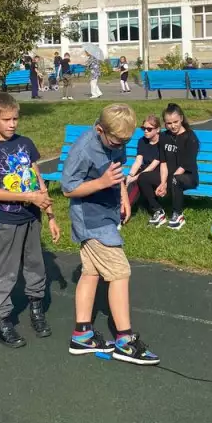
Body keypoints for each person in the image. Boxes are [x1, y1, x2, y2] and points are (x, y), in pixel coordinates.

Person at [60, 103, 159, 366]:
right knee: (119, 271)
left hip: (107, 212)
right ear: (100, 130)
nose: (119, 147)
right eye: (115, 141)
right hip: (90, 217)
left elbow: (118, 170)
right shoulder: (83, 149)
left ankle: (82, 335)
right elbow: (68, 189)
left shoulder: (117, 139)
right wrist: (101, 183)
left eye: (124, 142)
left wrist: (124, 196)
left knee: (91, 272)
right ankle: (124, 341)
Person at [0, 92, 61, 348]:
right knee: (5, 270)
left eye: (15, 119)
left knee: (36, 264)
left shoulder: (25, 143)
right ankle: (1, 320)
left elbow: (38, 180)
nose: (12, 124)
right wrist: (28, 196)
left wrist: (50, 214)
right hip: (7, 220)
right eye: (7, 119)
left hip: (32, 216)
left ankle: (36, 308)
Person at [137, 102, 199, 230]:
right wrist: (163, 182)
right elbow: (163, 163)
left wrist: (167, 184)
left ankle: (178, 214)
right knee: (143, 177)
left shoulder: (190, 138)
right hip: (169, 176)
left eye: (175, 122)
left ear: (181, 118)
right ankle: (158, 211)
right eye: (169, 123)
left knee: (175, 179)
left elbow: (184, 166)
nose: (173, 126)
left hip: (187, 177)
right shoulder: (164, 137)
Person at [126, 115, 161, 209]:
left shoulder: (162, 142)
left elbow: (153, 166)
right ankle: (119, 206)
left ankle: (124, 210)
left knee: (137, 181)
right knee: (125, 181)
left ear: (157, 129)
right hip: (145, 170)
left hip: (158, 172)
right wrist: (130, 175)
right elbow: (138, 161)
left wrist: (135, 177)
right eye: (143, 128)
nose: (145, 131)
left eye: (149, 129)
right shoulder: (142, 141)